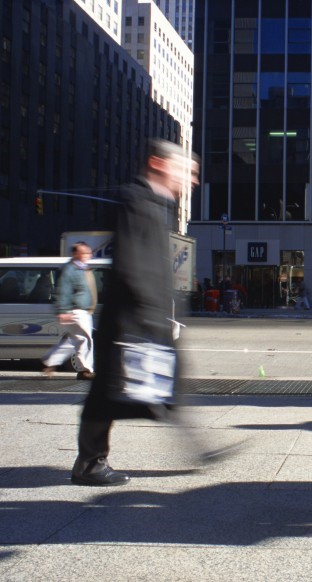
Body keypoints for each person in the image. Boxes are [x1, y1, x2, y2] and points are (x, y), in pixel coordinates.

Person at [70, 139, 199, 487]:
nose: (192, 180)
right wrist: (149, 313)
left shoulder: (153, 203)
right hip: (131, 318)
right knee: (110, 393)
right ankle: (90, 463)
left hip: (138, 315)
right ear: (158, 164)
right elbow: (132, 263)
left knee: (140, 389)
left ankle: (92, 461)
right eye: (185, 171)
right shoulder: (136, 200)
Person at [41, 242, 97, 381]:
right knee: (85, 340)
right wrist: (62, 310)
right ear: (75, 254)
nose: (87, 256)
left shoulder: (81, 268)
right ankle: (85, 370)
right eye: (83, 253)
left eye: (88, 253)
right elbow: (63, 291)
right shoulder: (70, 270)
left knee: (74, 339)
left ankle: (50, 361)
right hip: (75, 311)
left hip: (81, 311)